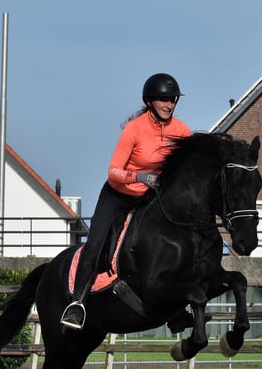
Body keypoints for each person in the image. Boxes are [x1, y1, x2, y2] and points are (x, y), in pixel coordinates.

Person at [61, 73, 193, 330]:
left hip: (150, 197)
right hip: (118, 195)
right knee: (95, 244)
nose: (169, 105)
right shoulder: (135, 128)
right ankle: (77, 303)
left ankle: (177, 310)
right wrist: (140, 176)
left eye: (173, 100)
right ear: (150, 101)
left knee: (176, 242)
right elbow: (113, 171)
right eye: (164, 100)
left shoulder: (181, 130)